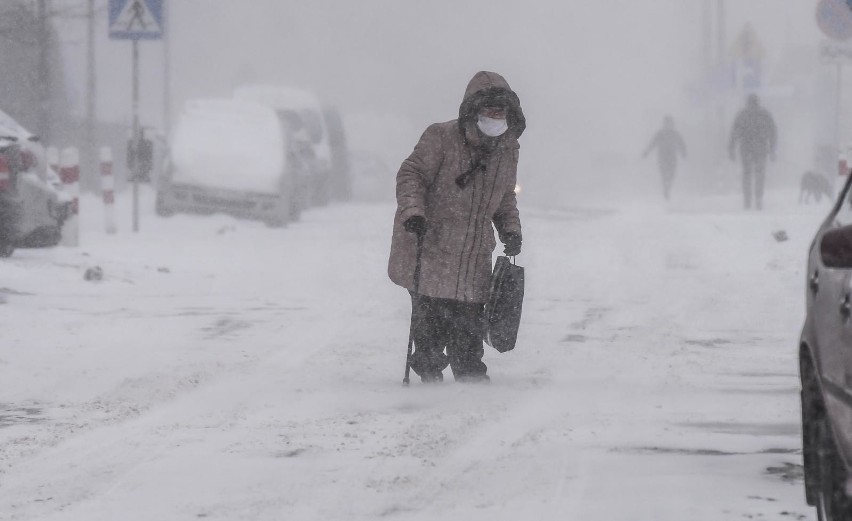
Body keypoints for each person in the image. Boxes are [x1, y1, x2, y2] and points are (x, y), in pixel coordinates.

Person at [388, 71, 525, 384]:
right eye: (489, 111)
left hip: (474, 252)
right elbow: (411, 175)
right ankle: (429, 371)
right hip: (433, 244)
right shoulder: (440, 137)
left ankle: (470, 379)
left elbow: (504, 197)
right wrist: (413, 212)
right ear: (473, 110)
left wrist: (510, 229)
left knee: (468, 322)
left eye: (501, 112)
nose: (496, 117)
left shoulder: (508, 150)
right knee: (431, 318)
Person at [728, 93, 777, 210]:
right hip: (760, 149)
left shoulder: (742, 115)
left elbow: (734, 133)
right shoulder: (764, 115)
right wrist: (772, 149)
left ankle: (747, 199)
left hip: (746, 149)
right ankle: (758, 198)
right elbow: (773, 132)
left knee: (747, 174)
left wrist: (731, 149)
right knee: (759, 174)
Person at [642, 115, 687, 200]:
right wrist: (646, 152)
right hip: (662, 157)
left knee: (672, 175)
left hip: (672, 157)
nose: (669, 125)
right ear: (664, 124)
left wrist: (683, 153)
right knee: (664, 174)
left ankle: (667, 188)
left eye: (670, 123)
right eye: (667, 123)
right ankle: (665, 189)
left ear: (672, 124)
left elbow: (681, 144)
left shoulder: (675, 134)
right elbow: (652, 144)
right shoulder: (659, 134)